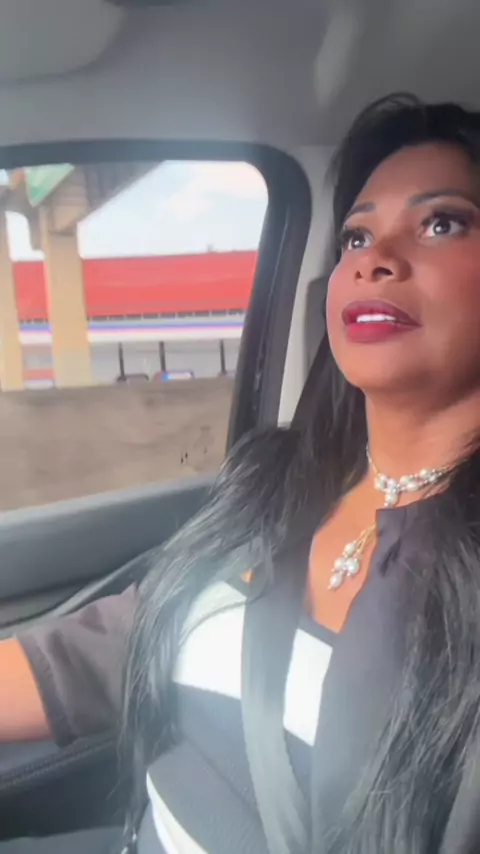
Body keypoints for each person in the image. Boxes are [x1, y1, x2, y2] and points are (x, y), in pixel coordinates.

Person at [4, 93, 480, 852]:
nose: (375, 257)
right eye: (356, 236)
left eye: (442, 223)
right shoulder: (277, 483)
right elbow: (116, 642)